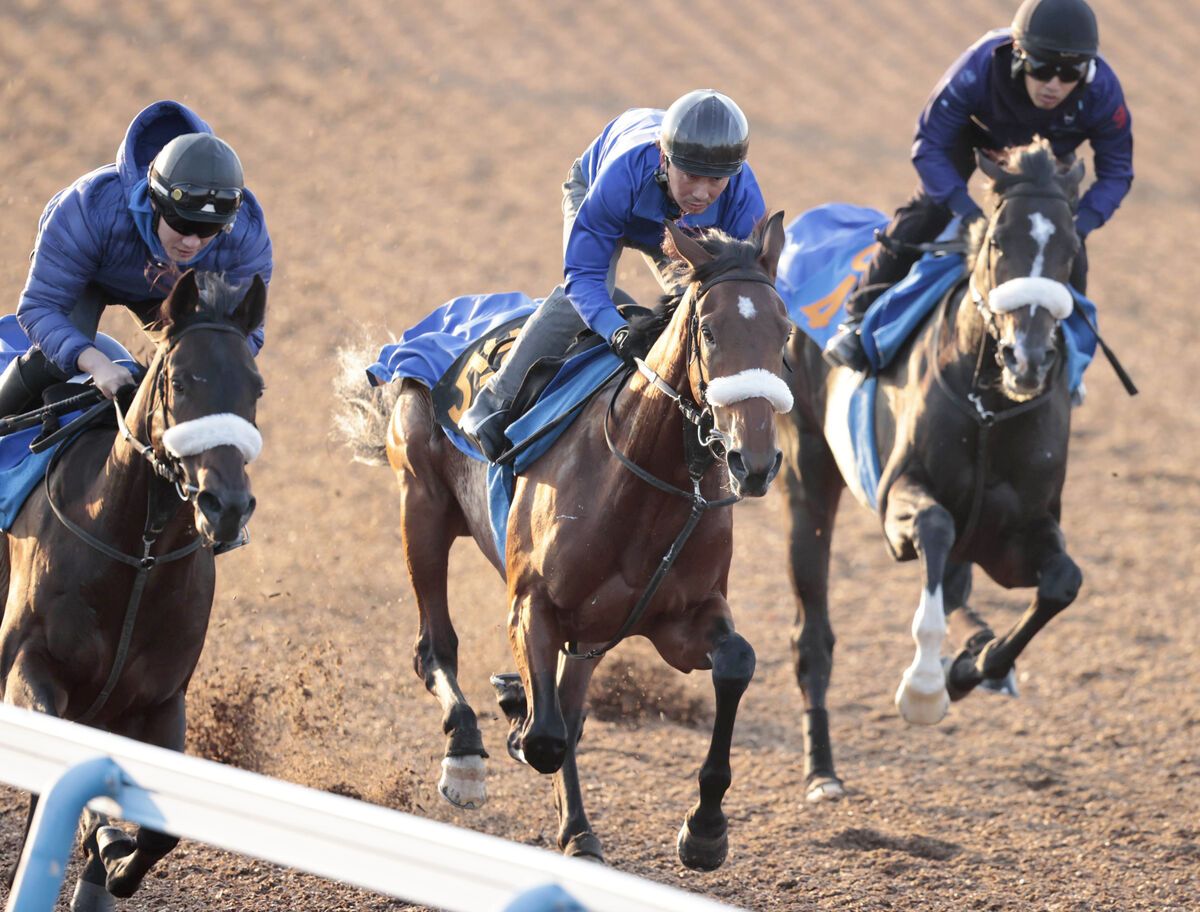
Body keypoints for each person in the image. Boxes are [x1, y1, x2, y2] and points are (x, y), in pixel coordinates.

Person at [459, 89, 766, 461]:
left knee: (699, 309)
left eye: (715, 181)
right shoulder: (623, 173)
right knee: (587, 298)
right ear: (664, 158)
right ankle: (492, 403)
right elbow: (583, 277)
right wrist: (615, 331)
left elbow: (740, 292)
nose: (701, 194)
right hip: (599, 194)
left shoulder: (742, 194)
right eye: (690, 176)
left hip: (678, 229)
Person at [824, 0, 1133, 371]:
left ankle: (1069, 361)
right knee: (928, 211)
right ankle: (856, 320)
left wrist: (1080, 224)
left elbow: (1116, 172)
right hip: (977, 137)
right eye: (1041, 67)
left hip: (1047, 157)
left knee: (1066, 246)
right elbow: (930, 145)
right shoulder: (981, 64)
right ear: (1018, 54)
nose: (1054, 84)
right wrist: (968, 213)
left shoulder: (1103, 91)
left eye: (1070, 74)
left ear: (1089, 69)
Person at [0, 100, 273, 415]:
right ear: (155, 202)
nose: (191, 242)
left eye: (208, 230)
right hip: (90, 276)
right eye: (182, 224)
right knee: (53, 363)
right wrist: (97, 364)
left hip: (173, 290)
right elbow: (39, 308)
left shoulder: (246, 235)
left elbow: (244, 333)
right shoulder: (87, 209)